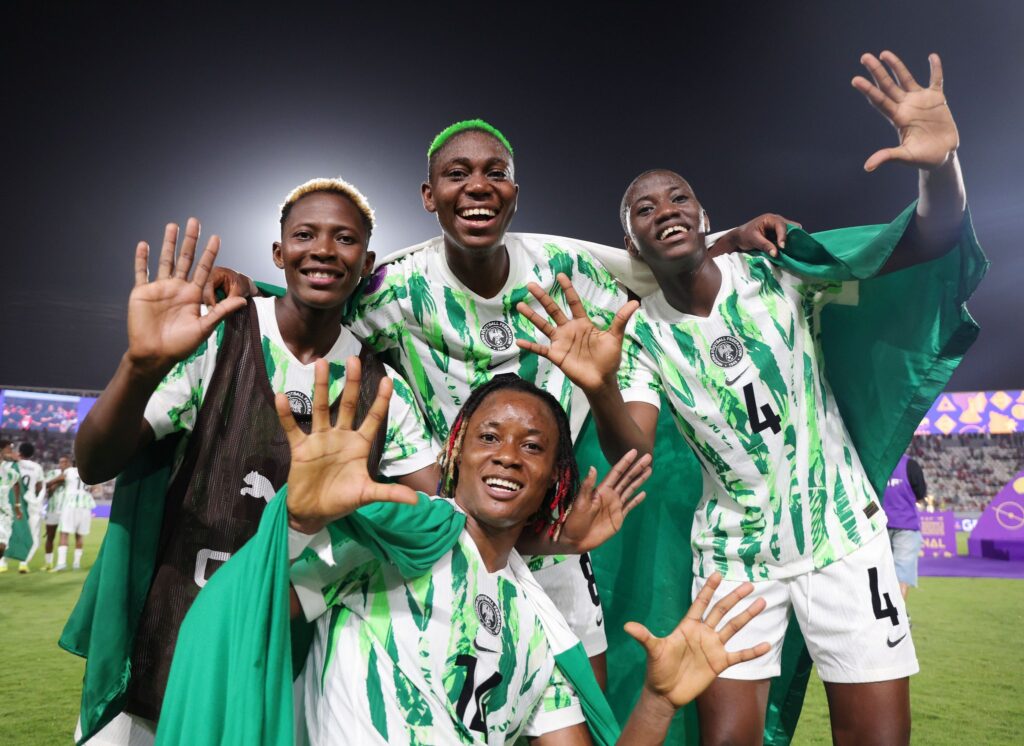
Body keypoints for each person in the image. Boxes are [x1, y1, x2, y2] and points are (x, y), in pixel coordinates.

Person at [214, 119, 795, 690]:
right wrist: (244, 295)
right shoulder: (393, 289)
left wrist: (729, 242)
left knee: (576, 718)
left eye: (496, 173)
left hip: (555, 543)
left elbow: (657, 265)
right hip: (445, 545)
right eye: (457, 174)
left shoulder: (567, 268)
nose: (477, 185)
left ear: (514, 194)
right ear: (429, 196)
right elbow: (315, 303)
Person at [515, 51, 985, 745]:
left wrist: (939, 167)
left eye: (678, 199)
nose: (664, 211)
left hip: (842, 539)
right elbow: (634, 450)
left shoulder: (774, 269)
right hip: (735, 560)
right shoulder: (638, 333)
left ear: (703, 215)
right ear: (632, 241)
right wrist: (602, 386)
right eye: (645, 209)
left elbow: (923, 242)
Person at [156, 358, 771, 745]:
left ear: (554, 481)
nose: (507, 454)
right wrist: (294, 525)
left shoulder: (540, 626)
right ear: (453, 454)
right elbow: (238, 617)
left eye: (533, 447)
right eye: (489, 436)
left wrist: (658, 706)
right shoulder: (384, 547)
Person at [65, 178, 439, 744]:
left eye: (344, 238)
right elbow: (93, 462)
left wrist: (327, 568)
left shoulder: (386, 389)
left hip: (286, 658)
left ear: (366, 263)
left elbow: (423, 518)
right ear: (278, 252)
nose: (322, 249)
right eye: (304, 234)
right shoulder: (217, 337)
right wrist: (140, 367)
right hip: (170, 636)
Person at [882, 454, 928, 600]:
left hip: (879, 526)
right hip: (906, 526)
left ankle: (887, 617)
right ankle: (899, 617)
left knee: (881, 573)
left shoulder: (875, 464)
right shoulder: (910, 465)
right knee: (901, 575)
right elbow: (920, 495)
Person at [52, 459, 94, 571]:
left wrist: (47, 483)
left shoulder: (69, 471)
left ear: (73, 464)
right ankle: (76, 564)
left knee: (64, 533)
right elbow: (93, 488)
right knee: (80, 535)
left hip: (70, 504)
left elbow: (59, 479)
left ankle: (61, 563)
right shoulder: (89, 473)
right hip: (85, 505)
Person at [16, 442, 45, 572]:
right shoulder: (37, 467)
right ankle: (24, 563)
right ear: (32, 454)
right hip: (30, 502)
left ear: (19, 452)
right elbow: (39, 487)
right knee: (32, 533)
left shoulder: (13, 464)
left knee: (7, 531)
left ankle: (2, 563)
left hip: (13, 501)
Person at [0, 439, 24, 572]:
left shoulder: (9, 472)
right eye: (9, 448)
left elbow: (16, 483)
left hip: (4, 513)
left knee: (2, 547)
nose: (11, 451)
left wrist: (17, 505)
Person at [44, 455, 71, 569]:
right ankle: (48, 563)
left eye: (65, 462)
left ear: (69, 464)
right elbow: (46, 489)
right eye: (61, 462)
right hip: (52, 509)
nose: (62, 464)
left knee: (63, 535)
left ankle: (60, 563)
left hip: (66, 510)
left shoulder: (71, 474)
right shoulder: (52, 473)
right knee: (50, 536)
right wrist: (54, 484)